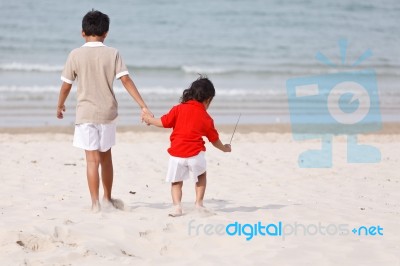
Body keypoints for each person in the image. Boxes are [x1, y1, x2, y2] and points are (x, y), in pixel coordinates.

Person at [56, 9, 152, 212]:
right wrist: (142, 105)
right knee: (106, 157)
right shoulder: (113, 53)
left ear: (82, 32)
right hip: (107, 113)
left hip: (85, 113)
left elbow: (66, 85)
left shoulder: (75, 54)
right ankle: (107, 199)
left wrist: (60, 104)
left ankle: (95, 204)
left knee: (92, 160)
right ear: (106, 33)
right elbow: (125, 79)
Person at [142, 76, 231, 217]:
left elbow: (163, 122)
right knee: (201, 175)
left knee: (176, 182)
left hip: (176, 155)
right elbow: (214, 140)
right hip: (195, 154)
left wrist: (149, 120)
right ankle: (198, 204)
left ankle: (177, 207)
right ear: (207, 100)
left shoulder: (178, 109)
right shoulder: (206, 117)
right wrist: (225, 148)